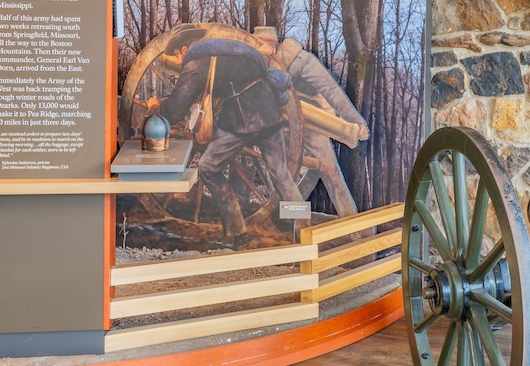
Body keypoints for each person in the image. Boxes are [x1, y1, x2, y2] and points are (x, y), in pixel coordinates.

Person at [149, 24, 302, 243]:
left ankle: (237, 232)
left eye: (177, 56)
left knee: (208, 167)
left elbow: (175, 111)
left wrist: (156, 107)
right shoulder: (226, 50)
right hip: (269, 113)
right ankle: (304, 231)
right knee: (281, 173)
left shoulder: (196, 63)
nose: (180, 62)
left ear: (184, 49)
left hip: (243, 120)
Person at [252, 27, 370, 217]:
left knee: (328, 169)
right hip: (283, 118)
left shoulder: (302, 61)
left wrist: (356, 121)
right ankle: (291, 217)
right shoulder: (258, 64)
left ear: (272, 48)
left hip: (315, 115)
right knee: (284, 172)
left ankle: (352, 223)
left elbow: (332, 91)